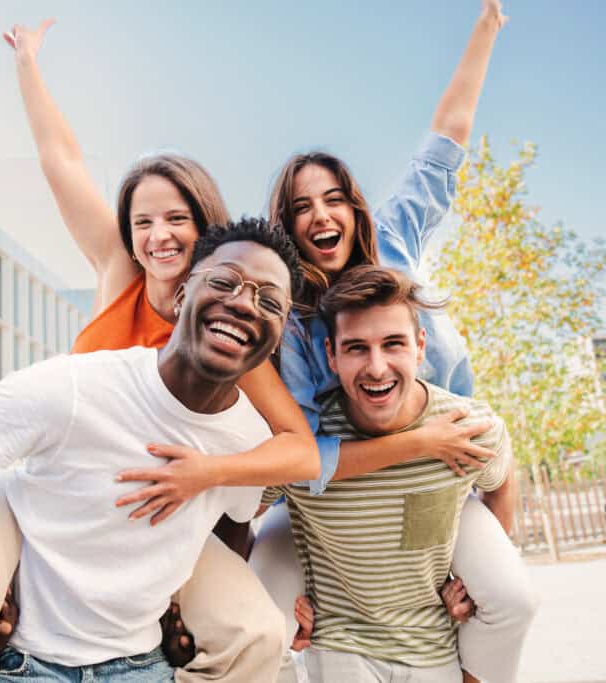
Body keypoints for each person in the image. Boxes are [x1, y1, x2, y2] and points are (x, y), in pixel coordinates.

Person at [0, 220, 309, 683]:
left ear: (279, 331)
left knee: (261, 633)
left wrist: (189, 608)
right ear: (182, 294)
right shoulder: (74, 388)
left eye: (269, 301)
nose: (245, 303)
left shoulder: (248, 442)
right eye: (225, 282)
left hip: (143, 667)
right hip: (19, 663)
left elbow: (232, 521)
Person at [250, 2, 538, 681]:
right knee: (265, 609)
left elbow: (446, 138)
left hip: (440, 484)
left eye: (331, 198)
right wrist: (414, 442)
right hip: (333, 511)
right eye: (299, 207)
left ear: (354, 206)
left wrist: (487, 26)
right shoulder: (293, 328)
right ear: (289, 230)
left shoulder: (401, 241)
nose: (319, 213)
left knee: (506, 596)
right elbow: (299, 458)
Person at [261, 265, 519, 682]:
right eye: (357, 348)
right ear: (332, 355)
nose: (377, 368)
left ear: (420, 346)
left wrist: (475, 583)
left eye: (393, 344)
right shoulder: (304, 442)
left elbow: (502, 481)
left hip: (433, 646)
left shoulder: (465, 428)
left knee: (519, 600)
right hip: (341, 645)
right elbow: (238, 511)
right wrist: (277, 601)